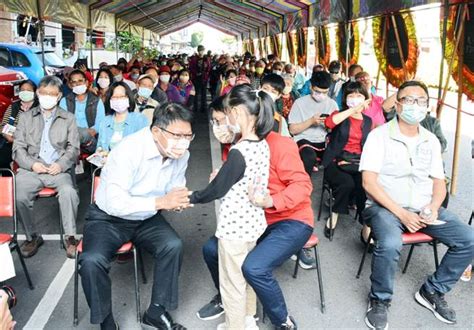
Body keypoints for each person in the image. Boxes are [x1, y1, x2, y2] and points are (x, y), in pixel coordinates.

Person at [359, 80, 474, 330]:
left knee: (469, 238)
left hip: (422, 208)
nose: (416, 106)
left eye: (421, 101)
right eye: (409, 100)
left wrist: (433, 206)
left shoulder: (430, 140)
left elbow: (439, 182)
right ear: (398, 105)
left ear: (427, 107)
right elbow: (369, 183)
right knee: (390, 242)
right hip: (385, 207)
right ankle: (379, 300)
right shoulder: (379, 136)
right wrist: (401, 213)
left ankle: (432, 291)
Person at [198, 99, 314, 330]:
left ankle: (283, 321)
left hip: (290, 219)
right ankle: (231, 301)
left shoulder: (280, 144)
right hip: (255, 219)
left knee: (254, 267)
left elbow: (303, 186)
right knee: (212, 249)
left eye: (224, 119)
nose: (222, 126)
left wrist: (273, 200)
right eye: (217, 122)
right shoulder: (238, 144)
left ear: (243, 116)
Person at [79, 103, 194, 330]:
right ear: (156, 131)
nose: (183, 142)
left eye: (188, 136)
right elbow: (115, 202)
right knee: (91, 261)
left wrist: (178, 199)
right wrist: (162, 202)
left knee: (173, 245)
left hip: (146, 216)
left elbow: (175, 184)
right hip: (108, 217)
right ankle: (106, 321)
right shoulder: (128, 150)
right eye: (177, 135)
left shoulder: (181, 153)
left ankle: (156, 311)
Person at [190, 85, 273, 329]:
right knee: (247, 278)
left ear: (237, 112)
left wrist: (192, 197)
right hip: (254, 223)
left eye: (227, 113)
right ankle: (249, 320)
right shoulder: (262, 144)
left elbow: (217, 190)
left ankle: (235, 325)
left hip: (235, 228)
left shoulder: (239, 151)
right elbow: (244, 180)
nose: (225, 120)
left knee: (232, 284)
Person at [12, 76, 80, 258]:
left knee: (69, 193)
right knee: (18, 195)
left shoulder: (68, 118)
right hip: (31, 168)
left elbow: (73, 148)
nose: (47, 97)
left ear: (58, 96)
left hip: (56, 169)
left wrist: (61, 164)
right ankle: (32, 236)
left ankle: (70, 237)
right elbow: (17, 148)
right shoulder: (26, 117)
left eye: (52, 94)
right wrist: (32, 164)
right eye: (43, 93)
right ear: (37, 93)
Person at [321, 82, 372, 238]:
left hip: (358, 163)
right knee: (346, 183)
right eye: (351, 95)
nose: (355, 99)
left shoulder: (368, 121)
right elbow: (329, 123)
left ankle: (366, 225)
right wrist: (351, 111)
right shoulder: (339, 114)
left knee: (366, 186)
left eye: (359, 96)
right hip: (336, 161)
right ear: (345, 99)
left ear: (365, 98)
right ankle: (334, 215)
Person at [289, 71, 338, 176]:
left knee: (334, 157)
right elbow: (292, 130)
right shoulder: (299, 103)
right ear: (311, 86)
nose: (321, 95)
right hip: (304, 140)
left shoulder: (332, 104)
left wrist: (328, 124)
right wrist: (311, 121)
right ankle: (304, 184)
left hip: (323, 141)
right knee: (308, 156)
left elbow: (335, 130)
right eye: (317, 91)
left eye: (324, 92)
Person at [60, 69, 106, 154]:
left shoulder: (96, 100)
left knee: (85, 137)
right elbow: (63, 122)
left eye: (80, 81)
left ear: (87, 83)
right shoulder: (64, 101)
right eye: (74, 82)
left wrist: (91, 131)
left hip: (91, 137)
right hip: (71, 138)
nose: (77, 84)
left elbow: (101, 122)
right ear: (70, 85)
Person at [96, 82, 148, 152]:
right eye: (115, 97)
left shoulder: (140, 120)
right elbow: (100, 148)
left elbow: (145, 148)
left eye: (122, 96)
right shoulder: (104, 122)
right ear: (110, 100)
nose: (118, 100)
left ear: (128, 98)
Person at [0, 80, 38, 172]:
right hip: (12, 142)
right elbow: (3, 126)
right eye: (22, 90)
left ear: (34, 92)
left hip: (33, 144)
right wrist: (8, 136)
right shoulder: (14, 107)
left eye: (28, 90)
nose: (25, 92)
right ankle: (7, 181)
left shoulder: (39, 108)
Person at [189, 45, 211, 112]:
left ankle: (203, 108)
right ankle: (195, 108)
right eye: (200, 50)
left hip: (204, 78)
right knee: (196, 93)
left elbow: (209, 67)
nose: (201, 52)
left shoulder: (206, 58)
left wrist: (206, 73)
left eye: (202, 50)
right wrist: (196, 73)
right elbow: (191, 68)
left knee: (203, 93)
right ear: (198, 51)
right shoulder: (194, 59)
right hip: (196, 78)